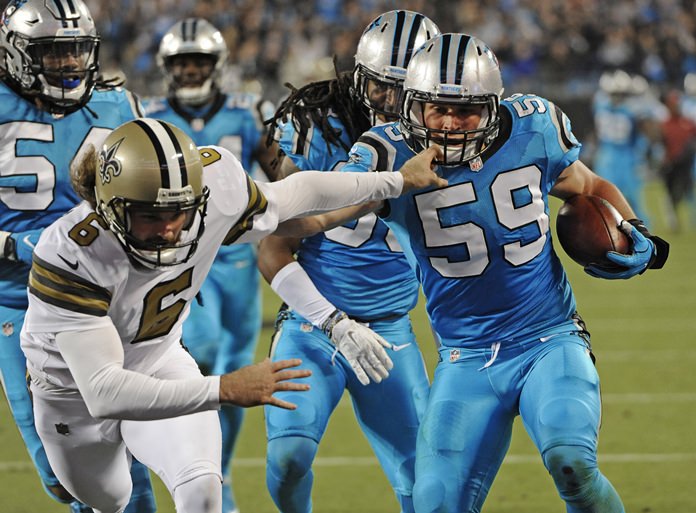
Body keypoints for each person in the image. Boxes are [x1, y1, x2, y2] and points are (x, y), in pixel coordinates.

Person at [18, 116, 447, 513]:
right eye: (150, 215)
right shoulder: (69, 253)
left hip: (158, 359)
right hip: (72, 394)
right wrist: (224, 388)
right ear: (111, 207)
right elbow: (104, 391)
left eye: (178, 212)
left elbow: (300, 194)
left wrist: (394, 181)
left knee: (203, 492)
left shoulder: (215, 187)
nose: (169, 229)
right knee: (111, 498)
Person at [334, 33, 669, 512]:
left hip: (548, 338)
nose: (450, 123)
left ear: (492, 108)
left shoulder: (533, 129)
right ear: (414, 107)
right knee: (434, 503)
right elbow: (333, 201)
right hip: (463, 358)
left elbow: (588, 185)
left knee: (571, 459)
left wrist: (635, 232)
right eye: (436, 109)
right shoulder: (387, 155)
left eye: (465, 110)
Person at [258, 10, 440, 513]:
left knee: (422, 480)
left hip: (390, 330)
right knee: (290, 455)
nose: (387, 101)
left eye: (401, 90)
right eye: (379, 85)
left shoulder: (449, 140)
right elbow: (272, 245)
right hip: (312, 321)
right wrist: (332, 322)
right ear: (358, 76)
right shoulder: (321, 128)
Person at [0, 1, 155, 511]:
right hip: (17, 304)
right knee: (62, 474)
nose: (69, 63)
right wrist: (15, 246)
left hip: (101, 302)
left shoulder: (117, 106)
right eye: (54, 52)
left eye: (76, 50)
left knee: (129, 458)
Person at [143, 18, 274, 513]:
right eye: (182, 62)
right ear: (167, 68)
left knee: (237, 372)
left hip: (236, 258)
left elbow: (277, 169)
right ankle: (188, 466)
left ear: (216, 66)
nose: (192, 70)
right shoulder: (147, 114)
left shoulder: (247, 112)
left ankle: (217, 472)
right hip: (179, 256)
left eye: (200, 61)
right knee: (202, 347)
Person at [592, 69, 656, 223]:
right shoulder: (631, 108)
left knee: (627, 201)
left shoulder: (601, 104)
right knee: (608, 200)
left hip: (617, 156)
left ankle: (642, 236)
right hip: (616, 155)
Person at [658, 89, 696, 232]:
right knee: (671, 194)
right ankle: (673, 221)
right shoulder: (664, 124)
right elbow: (660, 144)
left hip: (685, 164)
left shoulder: (689, 123)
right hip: (671, 163)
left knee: (688, 191)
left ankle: (692, 220)